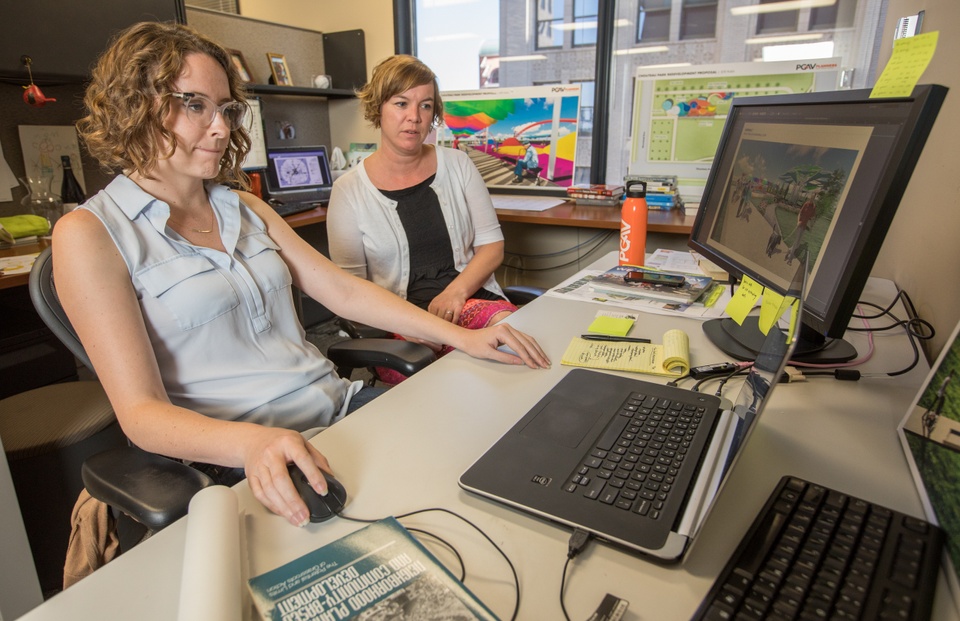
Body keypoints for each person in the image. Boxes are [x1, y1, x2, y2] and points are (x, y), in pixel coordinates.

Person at [55, 23, 550, 529]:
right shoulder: (89, 234)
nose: (222, 128)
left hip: (337, 408)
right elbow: (140, 414)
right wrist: (253, 442)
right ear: (135, 105)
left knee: (487, 466)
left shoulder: (244, 207)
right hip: (245, 454)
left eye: (225, 108)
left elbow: (341, 289)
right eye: (194, 104)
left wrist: (464, 337)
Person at [327, 55, 529, 383]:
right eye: (401, 103)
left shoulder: (459, 164)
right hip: (402, 325)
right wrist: (403, 324)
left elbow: (492, 247)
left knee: (521, 350)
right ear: (379, 107)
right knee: (458, 381)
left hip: (471, 299)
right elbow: (349, 293)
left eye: (425, 106)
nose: (414, 117)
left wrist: (456, 293)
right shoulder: (349, 191)